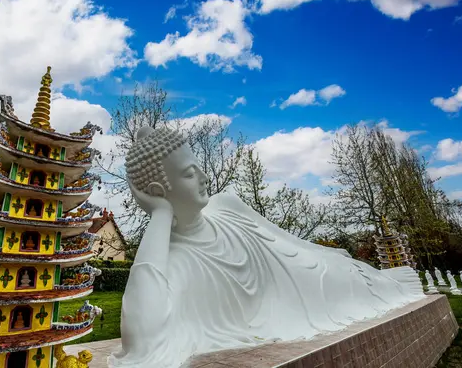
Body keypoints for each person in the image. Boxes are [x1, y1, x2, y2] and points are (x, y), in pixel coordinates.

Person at [107, 126, 424, 368]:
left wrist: (327, 253)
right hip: (291, 305)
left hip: (309, 275)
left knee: (350, 276)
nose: (204, 177)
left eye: (199, 166)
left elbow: (290, 242)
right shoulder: (178, 263)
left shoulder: (226, 204)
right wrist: (161, 213)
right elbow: (142, 338)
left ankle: (390, 280)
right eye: (190, 173)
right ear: (159, 190)